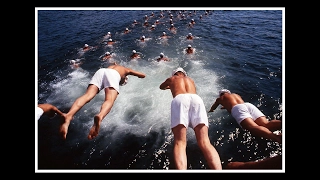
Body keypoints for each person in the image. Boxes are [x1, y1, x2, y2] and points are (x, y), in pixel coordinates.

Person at [59, 62, 146, 140]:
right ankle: (100, 116)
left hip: (101, 71)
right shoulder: (127, 70)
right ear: (125, 78)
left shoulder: (115, 66)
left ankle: (69, 115)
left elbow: (116, 65)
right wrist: (138, 75)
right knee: (109, 100)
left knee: (87, 95)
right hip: (113, 75)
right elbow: (143, 75)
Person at [159, 67, 222, 170]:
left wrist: (169, 87)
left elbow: (161, 87)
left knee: (180, 142)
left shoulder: (172, 79)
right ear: (184, 74)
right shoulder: (190, 79)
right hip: (196, 99)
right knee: (205, 142)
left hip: (180, 100)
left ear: (174, 74)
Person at [208, 89, 282, 143]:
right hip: (248, 105)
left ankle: (276, 137)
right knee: (266, 124)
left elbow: (214, 107)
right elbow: (235, 103)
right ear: (228, 93)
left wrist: (211, 110)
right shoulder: (236, 95)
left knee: (253, 127)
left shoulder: (220, 99)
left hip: (238, 109)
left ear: (221, 94)